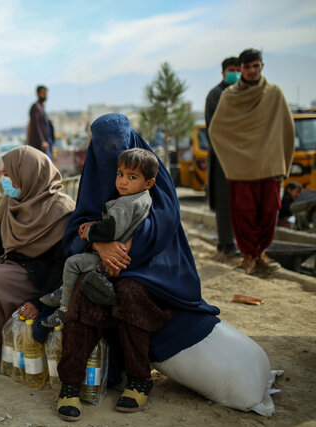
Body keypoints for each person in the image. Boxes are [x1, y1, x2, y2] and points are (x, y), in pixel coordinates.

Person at [55, 114, 220, 420]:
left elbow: (164, 221)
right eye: (105, 146)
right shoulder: (94, 176)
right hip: (101, 260)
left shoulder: (148, 168)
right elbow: (79, 224)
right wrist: (100, 246)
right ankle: (70, 384)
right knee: (83, 294)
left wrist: (124, 248)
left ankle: (139, 379)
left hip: (151, 263)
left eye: (119, 143)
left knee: (131, 293)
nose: (121, 176)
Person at [0, 146, 75, 370]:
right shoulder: (14, 201)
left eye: (8, 174)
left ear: (27, 174)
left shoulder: (61, 209)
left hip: (38, 278)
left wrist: (41, 301)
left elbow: (61, 265)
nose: (4, 178)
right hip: (11, 266)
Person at [40, 148, 158, 327]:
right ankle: (65, 290)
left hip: (110, 261)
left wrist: (89, 233)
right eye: (120, 174)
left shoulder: (125, 203)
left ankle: (63, 309)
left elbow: (112, 231)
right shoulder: (144, 197)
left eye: (132, 177)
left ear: (148, 183)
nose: (123, 181)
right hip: (127, 258)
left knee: (73, 263)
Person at [209, 49, 295, 274]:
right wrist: (232, 160)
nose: (251, 71)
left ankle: (261, 254)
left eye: (255, 66)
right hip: (241, 169)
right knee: (244, 214)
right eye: (247, 67)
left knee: (269, 213)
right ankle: (248, 255)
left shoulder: (274, 94)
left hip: (269, 165)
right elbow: (217, 131)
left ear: (262, 66)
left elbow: (286, 129)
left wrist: (283, 162)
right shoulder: (229, 96)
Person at [205, 56, 240, 256]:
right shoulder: (216, 94)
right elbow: (217, 129)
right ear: (223, 72)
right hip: (221, 157)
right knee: (225, 201)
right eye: (232, 69)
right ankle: (226, 243)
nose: (235, 73)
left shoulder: (241, 93)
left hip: (239, 158)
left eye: (238, 69)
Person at [27, 85, 54, 159]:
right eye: (43, 93)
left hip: (47, 141)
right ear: (38, 94)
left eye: (45, 93)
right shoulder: (36, 107)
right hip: (40, 144)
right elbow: (37, 125)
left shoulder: (41, 107)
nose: (45, 95)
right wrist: (42, 141)